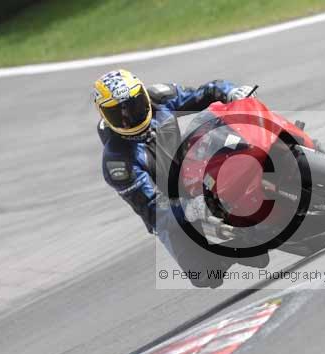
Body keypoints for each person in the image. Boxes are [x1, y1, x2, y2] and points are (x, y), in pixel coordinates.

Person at [93, 69, 267, 287]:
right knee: (204, 275)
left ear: (143, 95)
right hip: (172, 205)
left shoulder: (159, 98)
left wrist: (231, 92)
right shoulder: (117, 162)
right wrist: (191, 208)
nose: (128, 118)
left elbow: (205, 93)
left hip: (191, 166)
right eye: (117, 113)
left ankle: (273, 158)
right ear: (104, 116)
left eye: (133, 105)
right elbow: (153, 209)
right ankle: (236, 247)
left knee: (216, 126)